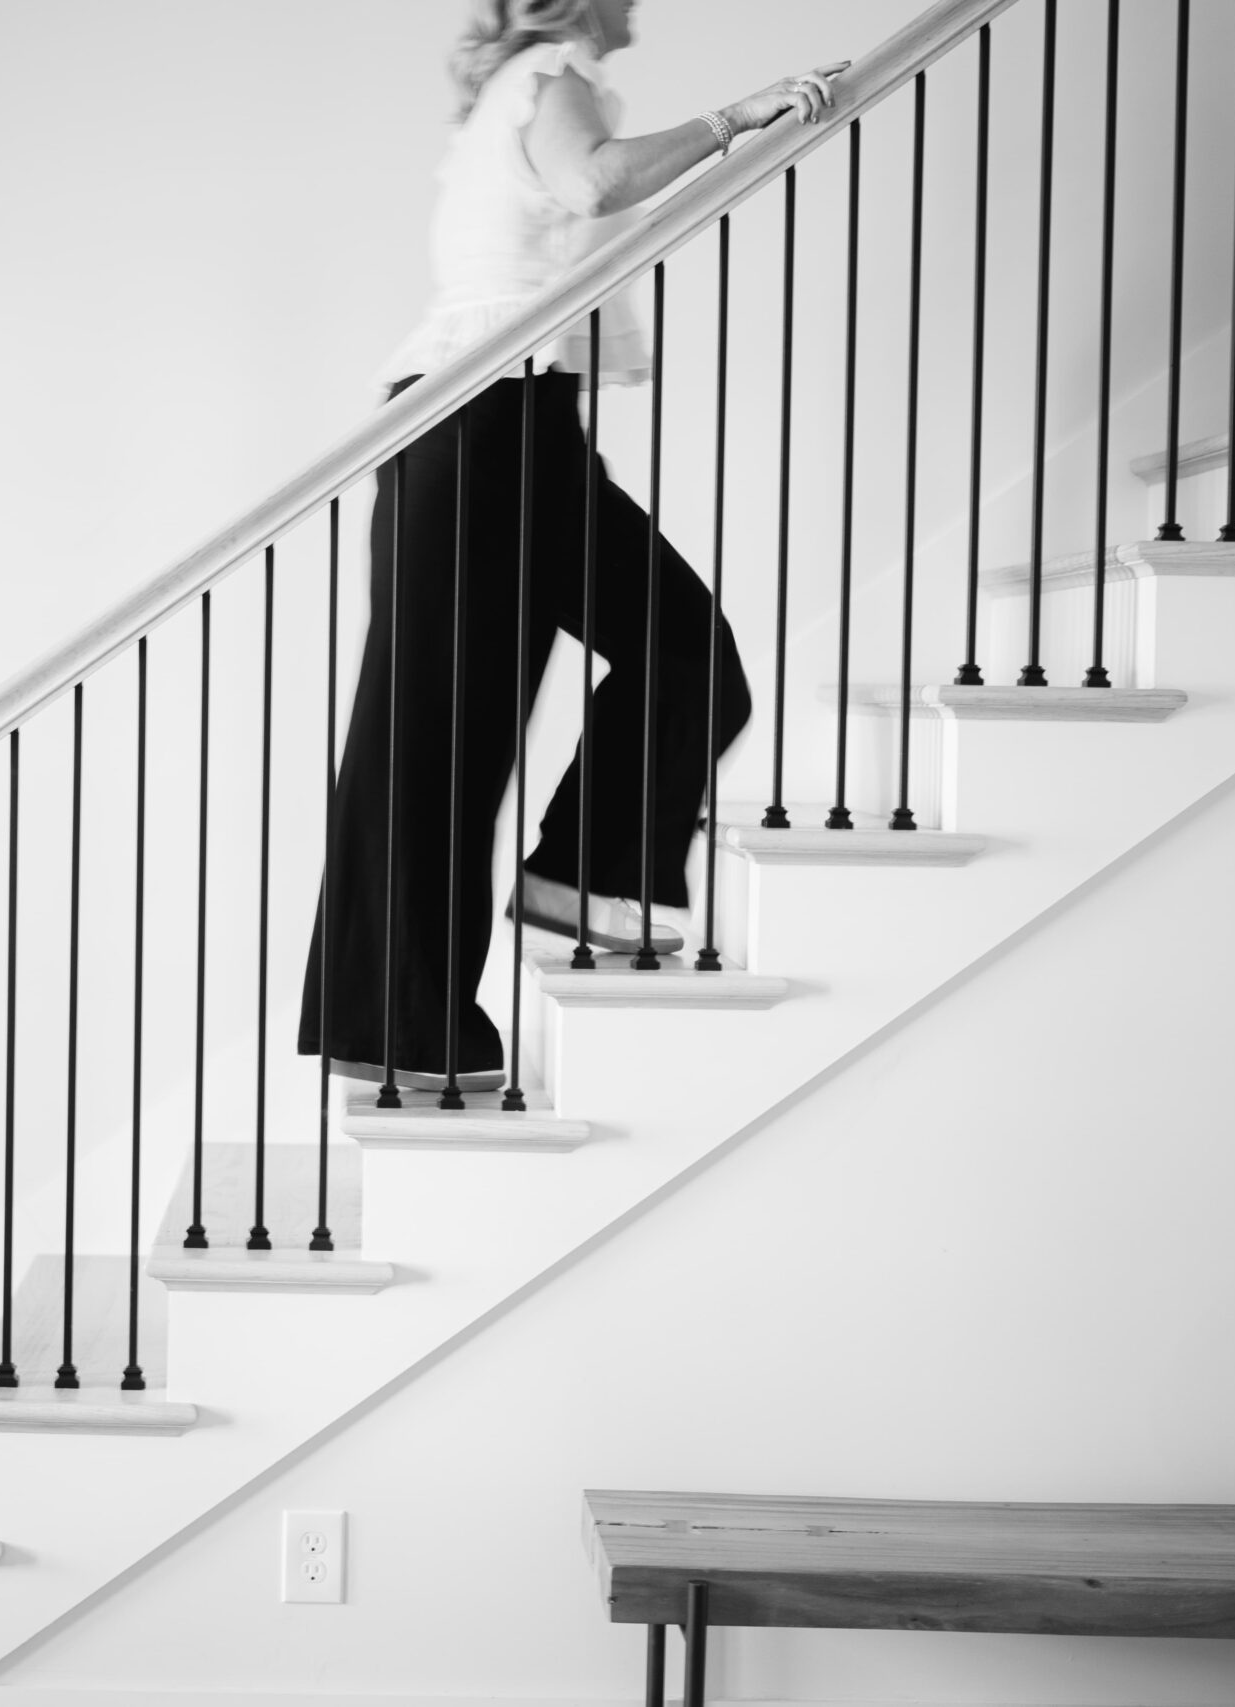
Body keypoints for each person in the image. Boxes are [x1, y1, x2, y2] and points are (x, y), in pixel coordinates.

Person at [298, 0, 846, 1090]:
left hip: (503, 422)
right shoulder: (554, 75)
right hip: (486, 420)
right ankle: (405, 1026)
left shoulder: (520, 85)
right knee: (449, 735)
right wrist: (737, 117)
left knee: (660, 659)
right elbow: (591, 183)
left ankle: (563, 896)